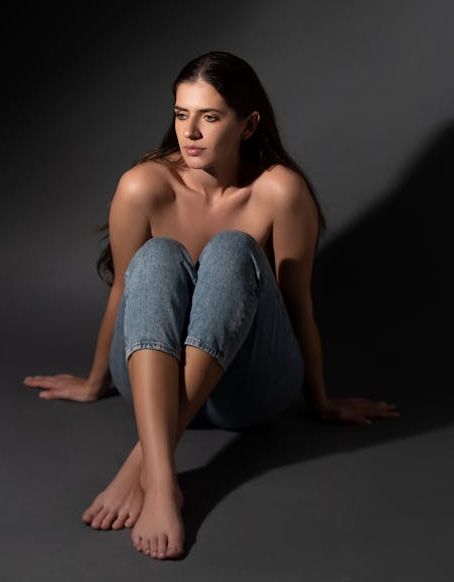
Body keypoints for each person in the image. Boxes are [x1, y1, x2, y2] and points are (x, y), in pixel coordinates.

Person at [23, 50, 400, 561]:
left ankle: (145, 469)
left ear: (248, 125)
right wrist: (95, 383)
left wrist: (322, 401)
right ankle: (164, 483)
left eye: (210, 116)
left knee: (232, 248)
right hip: (148, 383)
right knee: (155, 257)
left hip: (246, 392)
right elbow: (123, 293)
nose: (190, 132)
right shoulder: (145, 185)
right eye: (181, 115)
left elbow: (295, 306)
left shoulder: (279, 192)